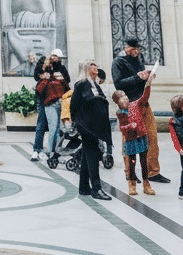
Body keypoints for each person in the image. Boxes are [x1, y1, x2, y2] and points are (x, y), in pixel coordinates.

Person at [111, 38, 169, 183]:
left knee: (152, 136)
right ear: (126, 47)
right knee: (130, 139)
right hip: (129, 104)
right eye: (133, 49)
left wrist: (148, 78)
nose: (136, 52)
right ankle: (129, 172)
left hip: (143, 102)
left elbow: (140, 78)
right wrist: (137, 77)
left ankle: (153, 172)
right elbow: (118, 84)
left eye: (138, 49)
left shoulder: (138, 59)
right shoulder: (118, 62)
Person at [71, 60, 112, 200]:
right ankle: (96, 188)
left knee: (87, 154)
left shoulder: (94, 84)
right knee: (93, 154)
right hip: (86, 125)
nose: (96, 66)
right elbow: (78, 103)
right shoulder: (82, 83)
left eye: (96, 64)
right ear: (86, 68)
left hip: (93, 124)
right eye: (92, 65)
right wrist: (76, 122)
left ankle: (84, 187)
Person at [115, 84, 154, 196]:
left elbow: (144, 97)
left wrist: (148, 84)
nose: (126, 98)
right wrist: (129, 126)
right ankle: (132, 184)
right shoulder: (120, 113)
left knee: (144, 161)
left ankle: (146, 184)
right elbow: (122, 128)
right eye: (122, 98)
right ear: (118, 102)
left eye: (126, 96)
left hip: (141, 137)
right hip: (130, 139)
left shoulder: (135, 105)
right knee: (132, 162)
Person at [31, 49, 69, 161]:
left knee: (56, 126)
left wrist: (59, 77)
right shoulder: (44, 62)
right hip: (43, 97)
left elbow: (67, 80)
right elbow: (36, 75)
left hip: (55, 98)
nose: (54, 58)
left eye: (57, 57)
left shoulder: (61, 68)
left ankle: (55, 149)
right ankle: (37, 150)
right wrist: (43, 72)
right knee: (41, 123)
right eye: (53, 55)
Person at [37, 70, 68, 161]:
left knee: (59, 129)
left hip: (61, 103)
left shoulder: (60, 80)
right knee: (53, 128)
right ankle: (51, 150)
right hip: (50, 105)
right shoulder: (46, 80)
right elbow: (39, 90)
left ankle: (57, 150)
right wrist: (46, 79)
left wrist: (62, 79)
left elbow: (67, 89)